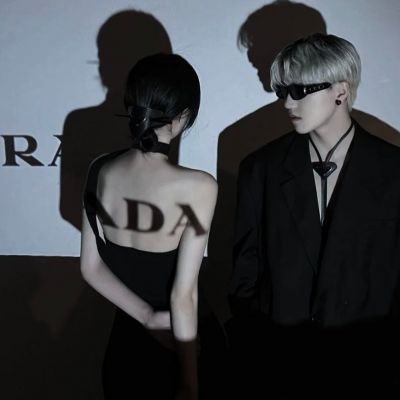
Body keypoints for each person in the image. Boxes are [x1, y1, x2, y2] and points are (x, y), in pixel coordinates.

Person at [229, 33, 400, 399]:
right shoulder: (260, 169)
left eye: (300, 91)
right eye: (282, 91)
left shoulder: (394, 170)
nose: (288, 102)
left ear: (341, 90)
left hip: (372, 369)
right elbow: (244, 276)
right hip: (280, 370)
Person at [80, 53, 217, 400]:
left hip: (127, 351)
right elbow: (183, 296)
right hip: (185, 345)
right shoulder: (199, 187)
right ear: (183, 116)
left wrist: (146, 317)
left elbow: (91, 269)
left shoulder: (99, 169)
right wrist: (189, 384)